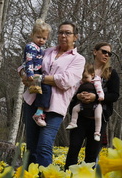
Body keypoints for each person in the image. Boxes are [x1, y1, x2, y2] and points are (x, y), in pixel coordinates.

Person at [20, 21, 85, 168]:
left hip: (55, 107)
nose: (63, 35)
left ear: (75, 37)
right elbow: (28, 62)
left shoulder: (78, 59)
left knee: (44, 145)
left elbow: (65, 81)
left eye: (67, 33)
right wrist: (24, 75)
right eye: (61, 32)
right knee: (31, 146)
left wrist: (39, 78)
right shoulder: (47, 51)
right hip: (33, 100)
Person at [64, 42, 120, 169]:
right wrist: (78, 97)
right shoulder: (83, 69)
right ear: (95, 52)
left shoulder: (111, 74)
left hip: (98, 119)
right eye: (104, 51)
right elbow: (71, 89)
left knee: (91, 154)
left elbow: (115, 95)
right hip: (80, 118)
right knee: (73, 150)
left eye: (109, 53)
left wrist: (96, 98)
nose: (107, 55)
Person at [22, 19, 52, 126]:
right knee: (46, 89)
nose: (41, 40)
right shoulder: (31, 46)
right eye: (38, 37)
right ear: (32, 35)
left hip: (37, 70)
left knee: (42, 90)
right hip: (33, 70)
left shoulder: (40, 48)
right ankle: (39, 113)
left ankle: (39, 111)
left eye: (44, 38)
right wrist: (30, 73)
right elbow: (29, 60)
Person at [65, 64, 104, 141]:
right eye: (82, 77)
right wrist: (76, 95)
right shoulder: (81, 82)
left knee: (98, 116)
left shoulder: (96, 82)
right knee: (75, 109)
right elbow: (75, 89)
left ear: (92, 75)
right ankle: (73, 122)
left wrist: (100, 96)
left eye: (86, 77)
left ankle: (97, 132)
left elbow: (99, 89)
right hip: (83, 104)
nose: (84, 79)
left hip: (95, 104)